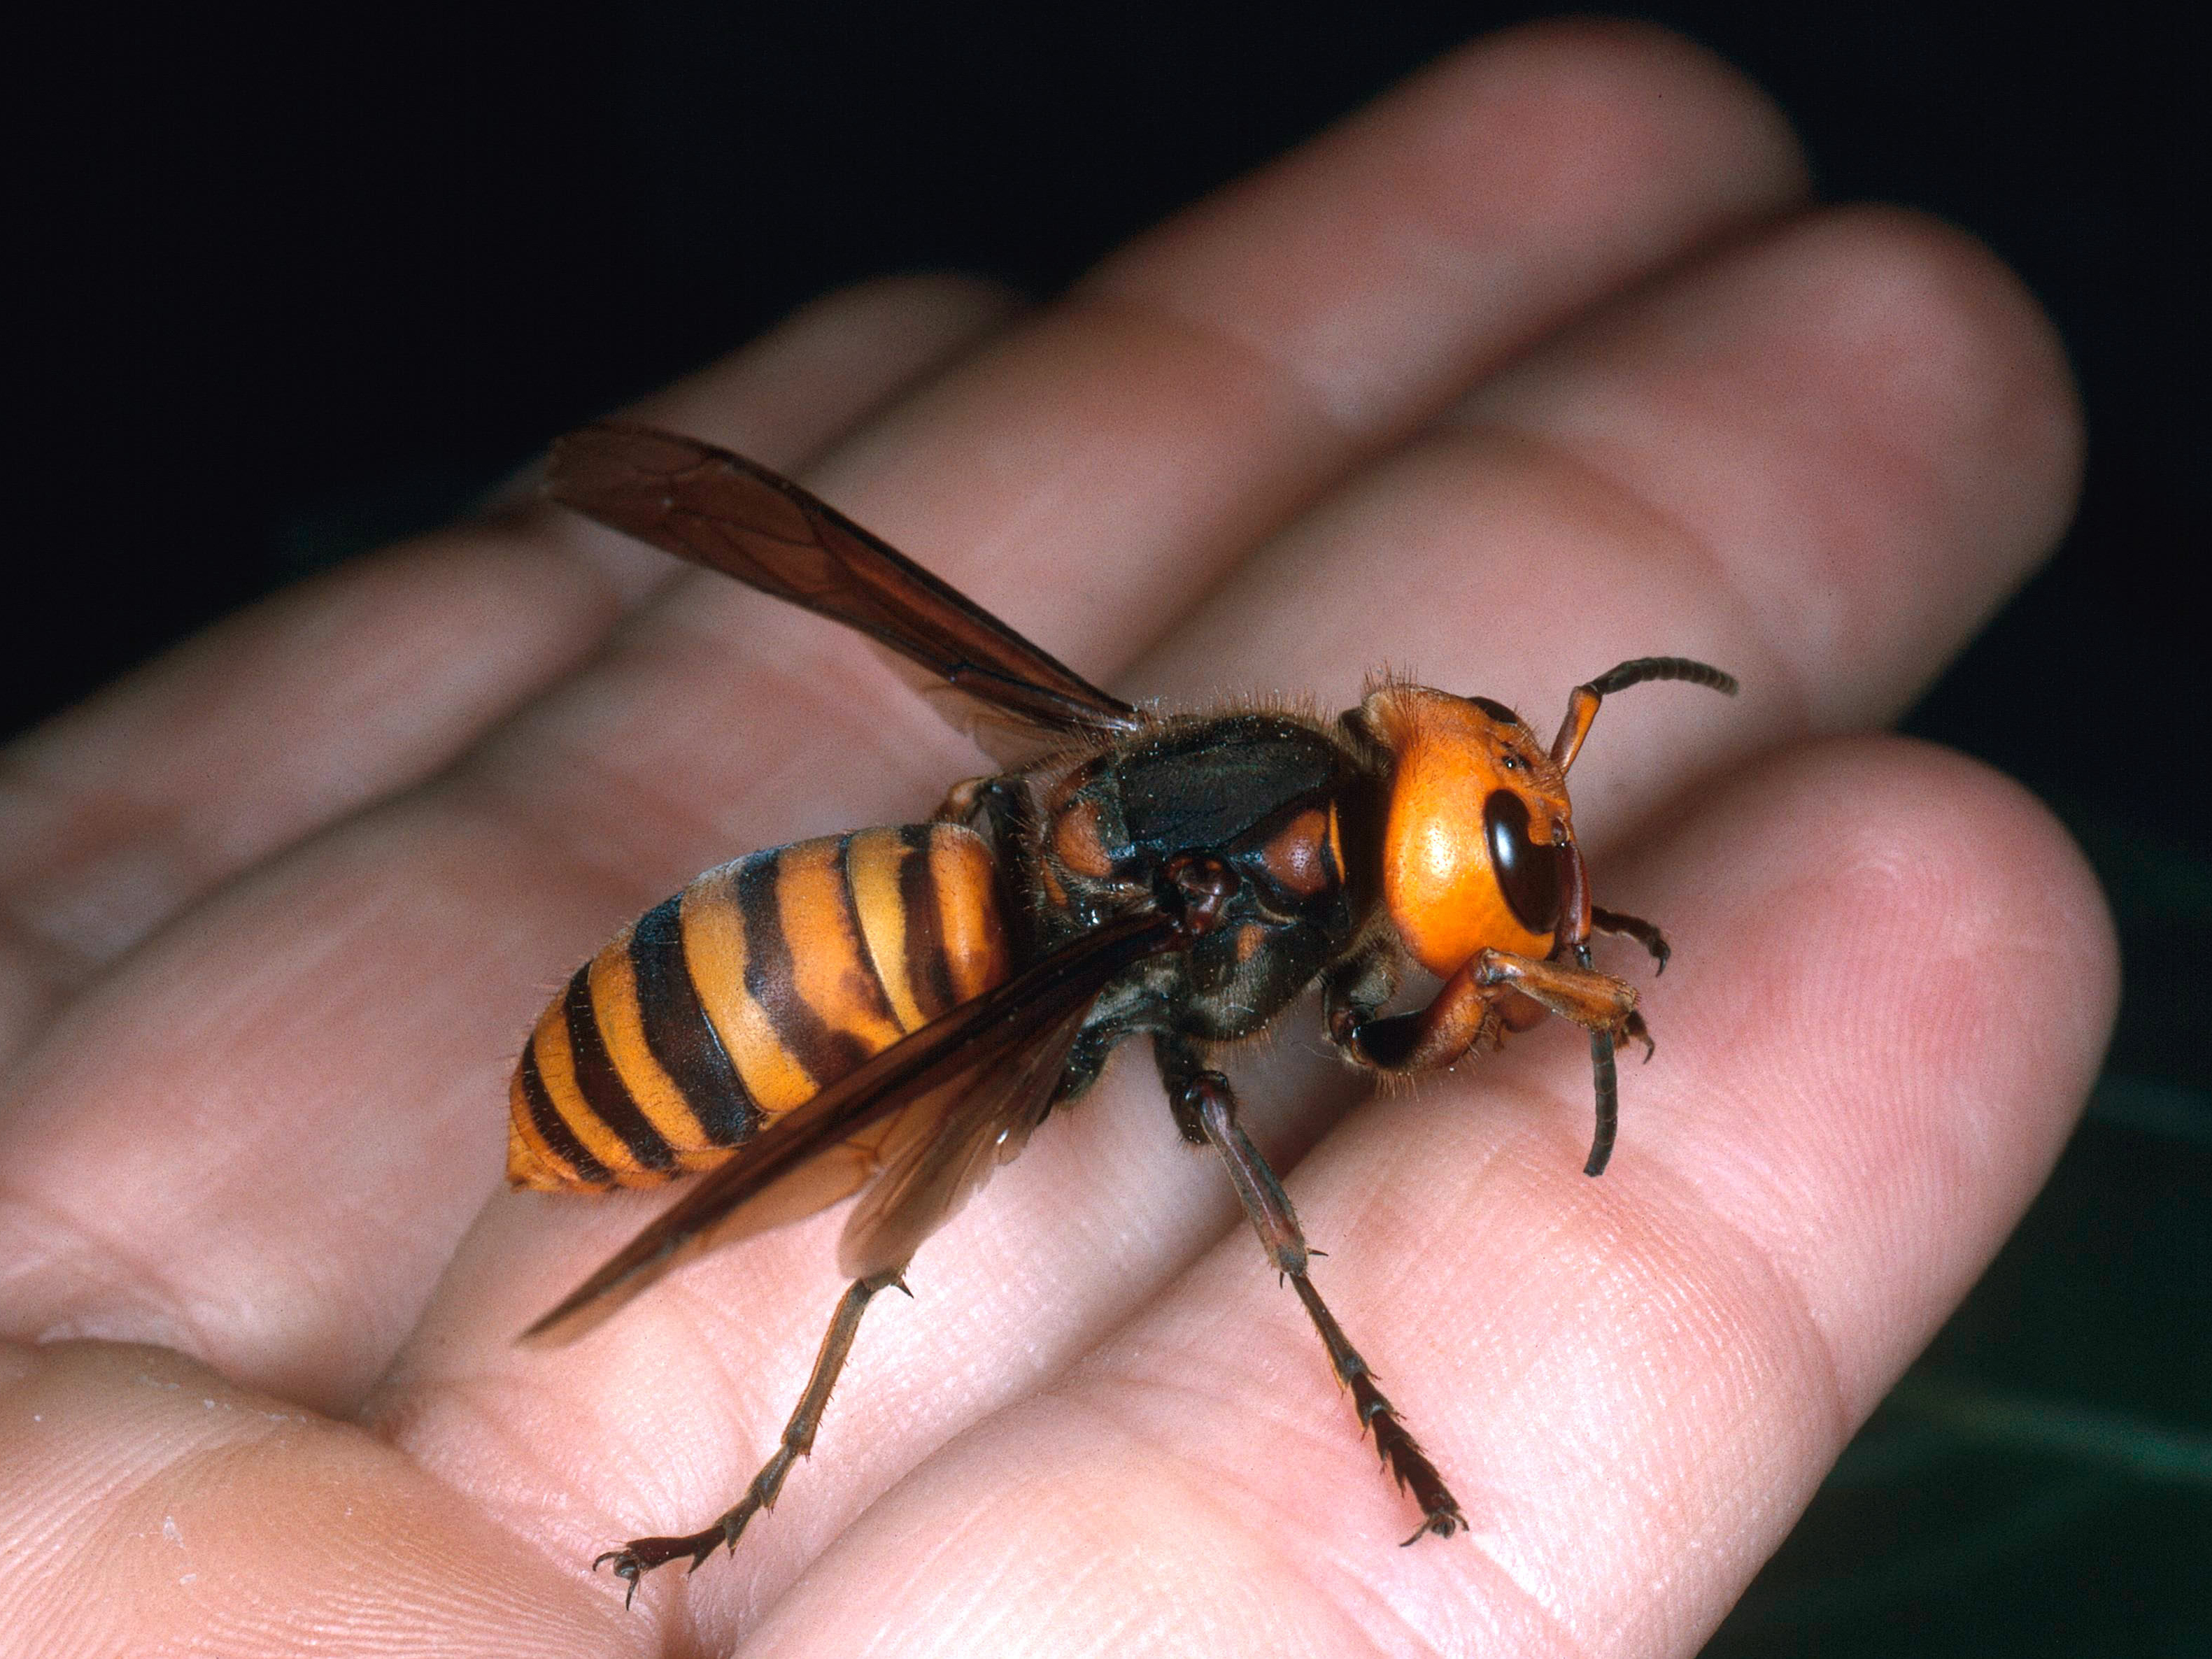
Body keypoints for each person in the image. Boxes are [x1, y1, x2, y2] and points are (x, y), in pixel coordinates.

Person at [0, 20, 2108, 1655]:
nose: (1507, 888)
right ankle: (771, 1472)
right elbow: (1335, 1061)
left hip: (898, 894)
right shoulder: (1254, 889)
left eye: (1512, 839)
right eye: (1504, 871)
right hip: (791, 1008)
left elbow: (1385, 1005)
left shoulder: (1259, 800)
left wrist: (1510, 964)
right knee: (893, 1212)